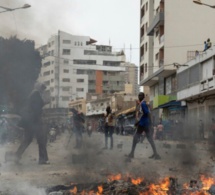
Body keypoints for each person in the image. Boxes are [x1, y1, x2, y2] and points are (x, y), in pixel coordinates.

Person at [12, 82, 49, 164]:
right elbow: (36, 109)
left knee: (27, 140)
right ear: (39, 87)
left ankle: (17, 156)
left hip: (30, 122)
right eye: (42, 88)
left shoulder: (34, 94)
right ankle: (42, 159)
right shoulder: (36, 95)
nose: (43, 89)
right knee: (41, 140)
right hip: (34, 122)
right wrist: (39, 121)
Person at [126, 92, 161, 160]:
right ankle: (156, 154)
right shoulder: (142, 103)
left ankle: (132, 153)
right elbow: (142, 113)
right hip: (144, 124)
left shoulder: (143, 104)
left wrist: (149, 123)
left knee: (135, 137)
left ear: (143, 96)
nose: (139, 96)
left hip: (143, 124)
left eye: (141, 95)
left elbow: (147, 113)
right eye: (139, 95)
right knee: (149, 139)